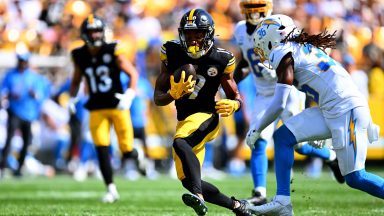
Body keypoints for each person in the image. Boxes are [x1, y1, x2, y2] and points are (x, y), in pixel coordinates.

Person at [246, 14, 384, 215]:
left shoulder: (283, 52)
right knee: (283, 137)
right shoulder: (300, 48)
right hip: (335, 108)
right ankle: (283, 202)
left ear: (273, 37)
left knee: (356, 178)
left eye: (262, 44)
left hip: (345, 110)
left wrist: (257, 129)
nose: (263, 51)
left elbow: (279, 103)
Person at [233, 0, 344, 205]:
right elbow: (245, 62)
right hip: (264, 93)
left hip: (288, 90)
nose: (253, 12)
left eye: (257, 7)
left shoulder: (277, 26)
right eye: (249, 7)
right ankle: (259, 193)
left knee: (299, 145)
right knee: (257, 140)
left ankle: (330, 157)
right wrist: (229, 84)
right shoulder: (240, 30)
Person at [154, 8, 250, 216]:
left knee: (180, 142)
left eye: (198, 34)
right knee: (188, 181)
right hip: (184, 120)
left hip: (207, 116)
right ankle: (238, 207)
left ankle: (198, 197)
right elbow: (158, 98)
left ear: (208, 34)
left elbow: (234, 95)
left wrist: (235, 104)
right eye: (188, 35)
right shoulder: (171, 51)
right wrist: (172, 94)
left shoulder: (221, 58)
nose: (193, 39)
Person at [69, 14, 138, 203]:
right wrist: (72, 98)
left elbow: (132, 73)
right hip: (96, 107)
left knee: (127, 150)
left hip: (117, 105)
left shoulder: (112, 50)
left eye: (97, 31)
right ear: (84, 34)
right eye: (90, 31)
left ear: (103, 32)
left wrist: (130, 95)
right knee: (101, 148)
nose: (94, 35)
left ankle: (138, 158)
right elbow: (76, 80)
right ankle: (111, 189)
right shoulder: (79, 55)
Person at [0, 52, 45, 178]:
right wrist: (6, 96)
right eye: (21, 61)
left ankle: (19, 168)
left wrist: (34, 94)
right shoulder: (10, 75)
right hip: (14, 111)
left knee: (27, 142)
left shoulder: (33, 77)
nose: (23, 63)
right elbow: (3, 91)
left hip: (29, 113)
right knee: (9, 139)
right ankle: (2, 166)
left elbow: (40, 95)